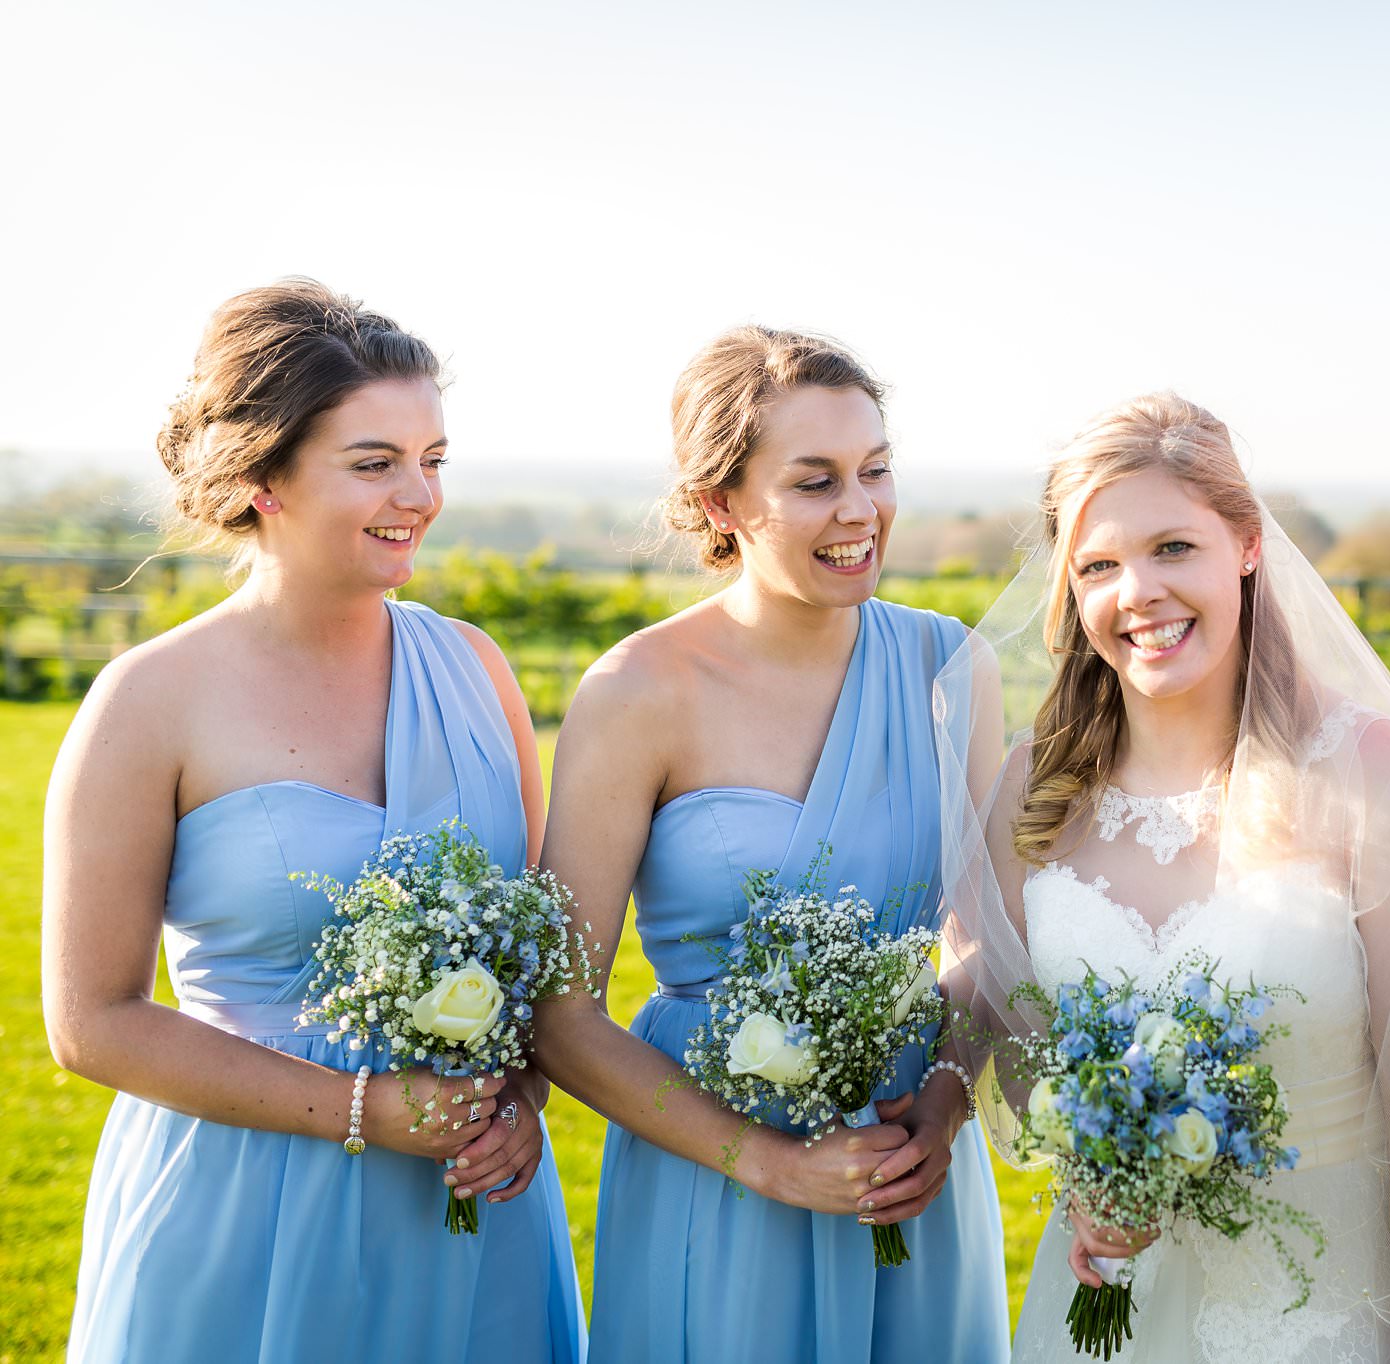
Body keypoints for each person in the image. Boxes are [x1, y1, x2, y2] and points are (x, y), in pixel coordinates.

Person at [44, 279, 584, 1364]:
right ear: (259, 476)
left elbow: (532, 947)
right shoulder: (149, 701)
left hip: (468, 1203)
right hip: (243, 1200)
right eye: (374, 462)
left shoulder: (475, 668)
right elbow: (90, 1019)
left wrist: (518, 1093)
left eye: (433, 457)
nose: (419, 495)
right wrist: (361, 1108)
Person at [935, 393, 1390, 1362]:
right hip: (1104, 1318)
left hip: (1333, 1313)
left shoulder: (1375, 781)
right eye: (1098, 566)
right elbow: (1017, 1044)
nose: (1137, 593)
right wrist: (1094, 1171)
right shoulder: (1034, 788)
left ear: (1245, 543)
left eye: (1171, 547)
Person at [529, 325, 1008, 1362]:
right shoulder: (636, 692)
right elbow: (561, 1013)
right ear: (718, 504)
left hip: (906, 1171)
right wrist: (766, 1163)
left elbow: (987, 944)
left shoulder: (950, 665)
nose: (859, 510)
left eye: (875, 471)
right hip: (714, 1176)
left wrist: (942, 1105)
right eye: (814, 481)